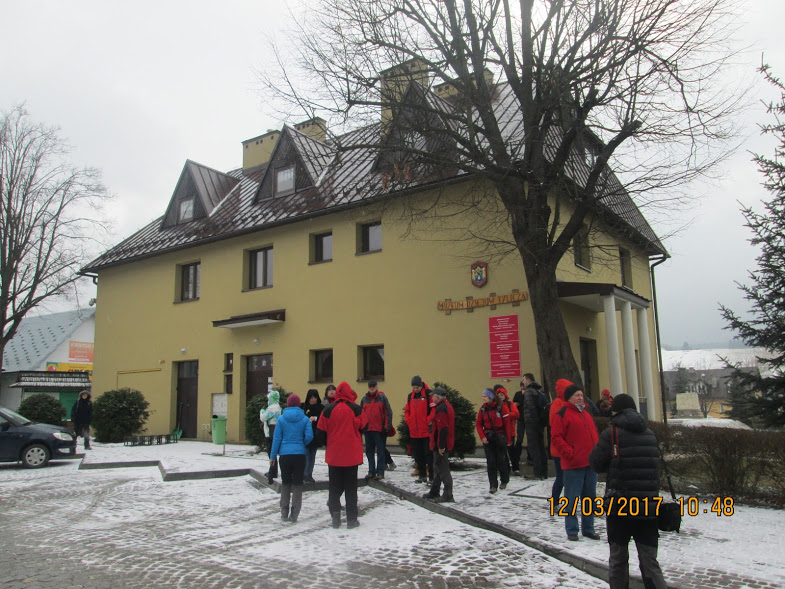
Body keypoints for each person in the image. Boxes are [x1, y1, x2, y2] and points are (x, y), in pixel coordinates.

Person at [590, 394, 667, 589]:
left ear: (615, 411)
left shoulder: (612, 434)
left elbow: (596, 463)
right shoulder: (650, 433)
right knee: (649, 560)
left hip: (620, 505)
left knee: (618, 558)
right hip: (648, 506)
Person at [550, 383, 600, 541]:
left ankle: (588, 528)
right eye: (576, 395)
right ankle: (572, 530)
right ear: (569, 398)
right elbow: (556, 438)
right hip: (573, 464)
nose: (580, 398)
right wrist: (569, 453)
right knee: (571, 499)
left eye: (581, 395)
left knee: (589, 498)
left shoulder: (586, 414)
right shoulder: (562, 414)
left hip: (590, 464)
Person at [317, 381, 366, 529]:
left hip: (334, 455)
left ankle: (336, 516)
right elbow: (365, 426)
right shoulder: (356, 409)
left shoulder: (328, 410)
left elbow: (320, 432)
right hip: (352, 455)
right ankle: (351, 519)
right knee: (351, 489)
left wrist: (329, 443)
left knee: (334, 486)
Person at [269, 393, 313, 523]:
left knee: (286, 482)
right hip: (299, 455)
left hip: (285, 455)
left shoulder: (282, 419)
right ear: (299, 404)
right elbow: (309, 436)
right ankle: (295, 512)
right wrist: (301, 444)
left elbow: (276, 439)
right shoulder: (305, 419)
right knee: (298, 483)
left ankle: (284, 511)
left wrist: (273, 456)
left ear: (288, 404)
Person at [475, 388, 511, 493]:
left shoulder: (501, 408)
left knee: (501, 460)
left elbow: (507, 424)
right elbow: (478, 424)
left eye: (485, 396)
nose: (483, 398)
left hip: (500, 437)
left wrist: (508, 439)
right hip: (488, 437)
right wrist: (482, 436)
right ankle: (493, 485)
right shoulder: (482, 409)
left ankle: (504, 480)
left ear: (490, 397)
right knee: (490, 462)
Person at [423, 387, 455, 502]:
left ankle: (448, 494)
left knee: (443, 469)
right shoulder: (445, 406)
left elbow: (443, 429)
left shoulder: (441, 408)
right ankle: (434, 491)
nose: (432, 398)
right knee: (437, 468)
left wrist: (441, 446)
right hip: (440, 443)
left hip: (441, 444)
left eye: (433, 396)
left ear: (437, 397)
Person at [360, 380, 393, 481]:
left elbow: (388, 412)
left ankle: (380, 472)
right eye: (370, 386)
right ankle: (371, 471)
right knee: (369, 452)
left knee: (381, 452)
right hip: (368, 430)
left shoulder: (382, 398)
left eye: (373, 386)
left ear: (377, 387)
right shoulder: (364, 399)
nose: (371, 388)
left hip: (380, 430)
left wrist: (386, 427)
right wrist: (362, 427)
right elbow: (361, 414)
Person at [405, 375, 433, 483]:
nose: (415, 389)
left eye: (417, 387)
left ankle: (431, 476)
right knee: (418, 454)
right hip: (415, 431)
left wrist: (428, 420)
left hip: (425, 430)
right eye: (414, 387)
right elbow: (407, 410)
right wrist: (409, 421)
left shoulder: (428, 394)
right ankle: (422, 475)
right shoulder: (410, 396)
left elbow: (433, 409)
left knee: (428, 454)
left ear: (421, 385)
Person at [549, 379, 572, 501]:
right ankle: (555, 500)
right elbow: (555, 423)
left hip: (568, 446)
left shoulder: (566, 403)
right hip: (559, 448)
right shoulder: (558, 403)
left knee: (567, 477)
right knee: (561, 477)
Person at [522, 373, 548, 480]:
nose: (523, 382)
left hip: (532, 424)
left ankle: (537, 472)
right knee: (541, 447)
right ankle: (544, 472)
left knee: (534, 448)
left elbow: (529, 409)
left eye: (524, 379)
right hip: (540, 423)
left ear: (528, 380)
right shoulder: (539, 391)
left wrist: (529, 423)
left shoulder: (529, 392)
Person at [493, 385, 518, 476]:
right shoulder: (496, 406)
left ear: (505, 396)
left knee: (511, 450)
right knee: (502, 452)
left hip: (510, 431)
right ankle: (506, 468)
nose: (500, 397)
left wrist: (507, 415)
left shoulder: (510, 404)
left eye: (502, 395)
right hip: (500, 432)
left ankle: (516, 468)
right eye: (499, 395)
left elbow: (516, 414)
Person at [260, 390, 282, 483]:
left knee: (271, 452)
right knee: (274, 451)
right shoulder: (279, 407)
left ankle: (272, 471)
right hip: (276, 432)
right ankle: (274, 470)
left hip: (270, 433)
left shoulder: (272, 408)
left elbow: (263, 417)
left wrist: (261, 411)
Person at [301, 389, 323, 483]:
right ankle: (304, 473)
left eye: (315, 397)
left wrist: (316, 418)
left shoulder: (321, 407)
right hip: (305, 435)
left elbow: (323, 419)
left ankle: (309, 474)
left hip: (315, 435)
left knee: (312, 455)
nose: (313, 400)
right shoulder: (303, 407)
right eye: (311, 398)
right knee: (305, 455)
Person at [511, 380, 526, 475]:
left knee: (532, 438)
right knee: (519, 439)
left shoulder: (529, 394)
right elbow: (515, 404)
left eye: (524, 386)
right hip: (520, 419)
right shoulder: (518, 394)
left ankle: (530, 457)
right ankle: (517, 456)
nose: (522, 387)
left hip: (529, 419)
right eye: (521, 386)